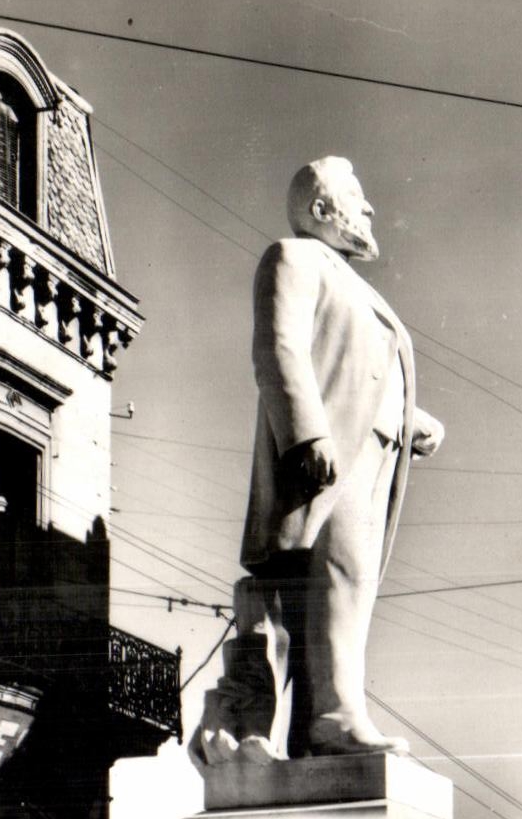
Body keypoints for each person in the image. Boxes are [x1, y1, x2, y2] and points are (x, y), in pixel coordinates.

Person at [190, 156, 443, 769]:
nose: (370, 207)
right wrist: (304, 437)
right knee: (339, 575)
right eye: (356, 196)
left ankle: (326, 717)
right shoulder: (293, 257)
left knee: (352, 586)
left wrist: (410, 418)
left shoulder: (361, 290)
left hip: (374, 451)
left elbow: (360, 375)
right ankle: (334, 717)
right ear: (321, 209)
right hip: (329, 453)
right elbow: (278, 348)